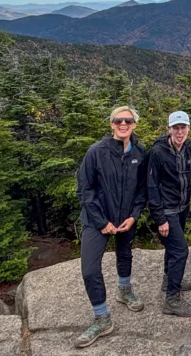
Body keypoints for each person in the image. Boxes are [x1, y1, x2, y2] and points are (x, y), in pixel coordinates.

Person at [74, 106, 148, 348]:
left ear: (134, 124)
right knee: (89, 269)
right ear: (112, 124)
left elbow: (142, 189)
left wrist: (134, 216)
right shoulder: (96, 152)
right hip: (97, 219)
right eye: (118, 120)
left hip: (125, 217)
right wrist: (101, 221)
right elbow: (85, 189)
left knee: (124, 253)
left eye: (128, 120)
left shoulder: (140, 152)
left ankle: (124, 290)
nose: (123, 124)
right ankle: (101, 318)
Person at [147, 110, 191, 317]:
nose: (179, 132)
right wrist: (160, 219)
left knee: (172, 247)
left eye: (183, 128)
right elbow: (151, 186)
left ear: (187, 129)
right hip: (167, 210)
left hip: (182, 207)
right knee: (180, 251)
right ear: (169, 129)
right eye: (175, 128)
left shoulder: (188, 146)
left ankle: (169, 279)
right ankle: (172, 299)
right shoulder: (158, 153)